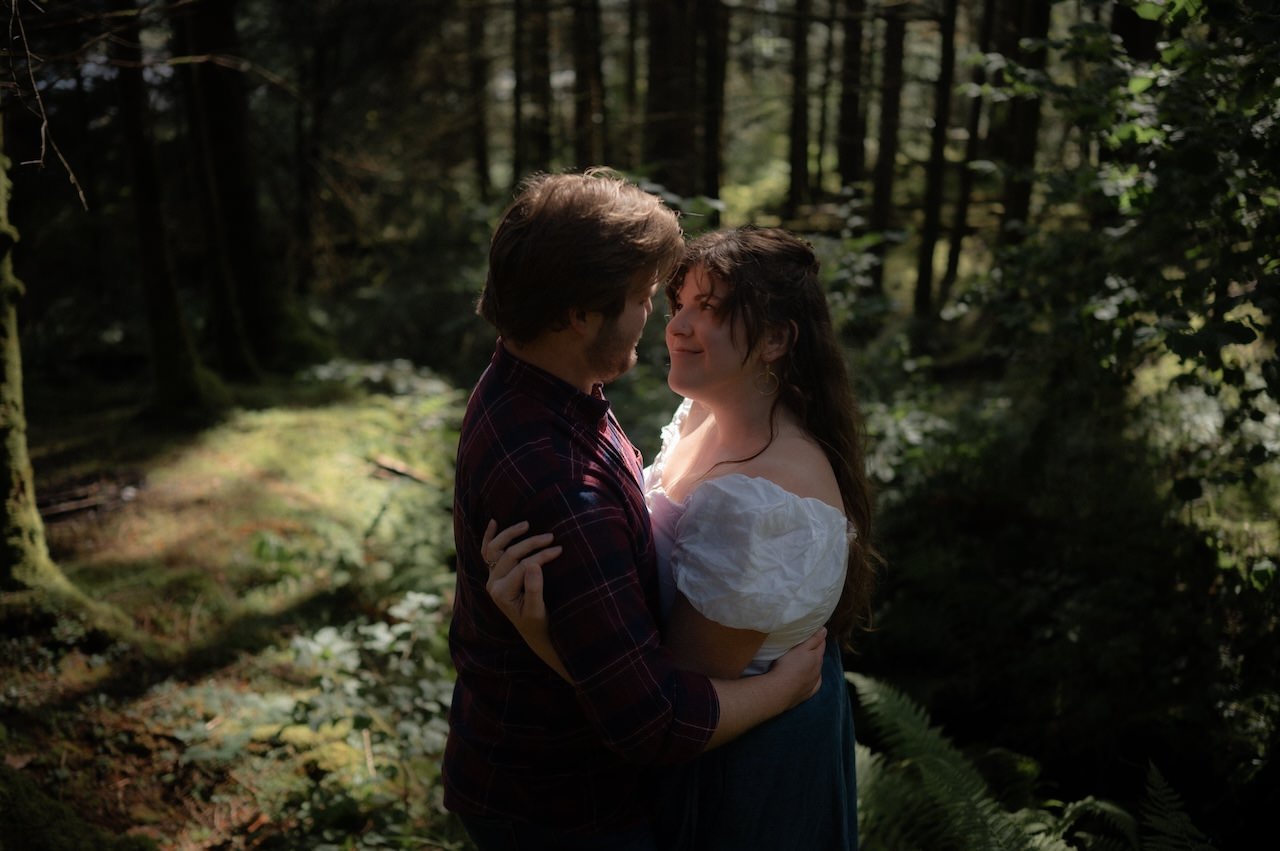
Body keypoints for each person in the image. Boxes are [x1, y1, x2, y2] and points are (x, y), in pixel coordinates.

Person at [444, 172, 829, 851]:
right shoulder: (564, 484)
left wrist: (554, 638)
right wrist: (788, 687)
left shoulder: (535, 380)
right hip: (563, 801)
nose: (659, 318)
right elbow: (649, 719)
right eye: (646, 297)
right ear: (579, 314)